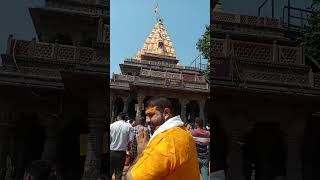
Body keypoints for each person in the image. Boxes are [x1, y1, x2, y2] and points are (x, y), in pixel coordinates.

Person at [125, 97, 200, 180]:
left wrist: (140, 154)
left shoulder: (168, 140)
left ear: (166, 113)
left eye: (151, 115)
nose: (147, 120)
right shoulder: (183, 132)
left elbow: (131, 178)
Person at [110, 112, 132, 180]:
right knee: (119, 173)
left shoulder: (112, 125)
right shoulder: (129, 126)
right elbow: (130, 139)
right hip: (122, 152)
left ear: (118, 117)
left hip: (112, 151)